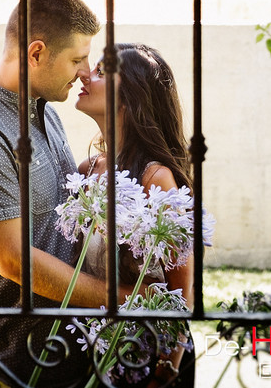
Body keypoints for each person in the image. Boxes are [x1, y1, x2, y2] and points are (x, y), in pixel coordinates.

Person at [0, 0, 132, 387]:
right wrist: (120, 299)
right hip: (10, 366)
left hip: (63, 358)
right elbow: (14, 261)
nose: (85, 72)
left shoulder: (44, 112)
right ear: (36, 53)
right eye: (77, 60)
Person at [75, 43, 196, 387]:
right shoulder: (86, 170)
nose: (85, 75)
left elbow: (181, 292)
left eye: (101, 72)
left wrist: (166, 370)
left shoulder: (155, 179)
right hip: (95, 348)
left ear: (129, 98)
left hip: (149, 354)